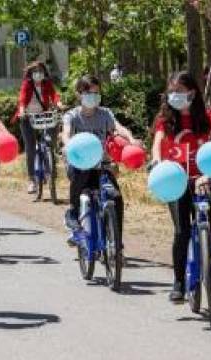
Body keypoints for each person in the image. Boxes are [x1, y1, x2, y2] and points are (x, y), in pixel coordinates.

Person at [150, 71, 211, 302]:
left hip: (203, 177)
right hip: (175, 180)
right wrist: (156, 162)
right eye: (172, 91)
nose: (175, 96)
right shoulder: (165, 120)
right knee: (182, 231)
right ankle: (179, 282)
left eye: (180, 91)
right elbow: (157, 143)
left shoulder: (208, 117)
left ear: (192, 93)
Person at [61, 75, 140, 251]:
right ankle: (73, 213)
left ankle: (115, 240)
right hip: (80, 163)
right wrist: (67, 145)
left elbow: (118, 128)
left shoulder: (105, 114)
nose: (94, 97)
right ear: (79, 94)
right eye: (89, 93)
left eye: (97, 93)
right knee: (81, 177)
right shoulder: (72, 116)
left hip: (103, 164)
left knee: (116, 198)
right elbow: (65, 133)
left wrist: (131, 139)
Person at [12, 61, 63, 194]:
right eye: (35, 71)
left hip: (43, 115)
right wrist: (22, 111)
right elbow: (22, 99)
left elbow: (54, 95)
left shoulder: (47, 83)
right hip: (27, 117)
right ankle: (31, 180)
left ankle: (49, 169)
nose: (38, 74)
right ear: (31, 74)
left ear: (44, 72)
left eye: (40, 71)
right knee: (30, 146)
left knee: (50, 140)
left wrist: (59, 103)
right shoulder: (27, 84)